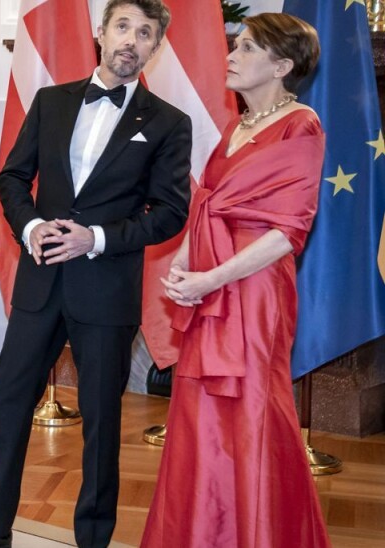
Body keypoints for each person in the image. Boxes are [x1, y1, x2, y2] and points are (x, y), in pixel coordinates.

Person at [0, 1, 191, 547]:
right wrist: (30, 230)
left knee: (100, 423)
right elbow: (12, 177)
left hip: (106, 292)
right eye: (123, 27)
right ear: (101, 32)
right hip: (40, 282)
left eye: (145, 33)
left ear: (155, 47)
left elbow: (170, 213)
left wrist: (94, 238)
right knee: (9, 405)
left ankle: (92, 541)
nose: (131, 40)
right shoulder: (51, 101)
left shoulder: (170, 122)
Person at [141, 13, 331, 547]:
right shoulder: (237, 125)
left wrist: (209, 279)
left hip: (254, 292)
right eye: (235, 44)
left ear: (282, 65)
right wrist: (183, 259)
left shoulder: (302, 125)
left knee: (251, 412)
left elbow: (285, 233)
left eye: (247, 48)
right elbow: (209, 206)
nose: (231, 54)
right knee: (201, 416)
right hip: (211, 284)